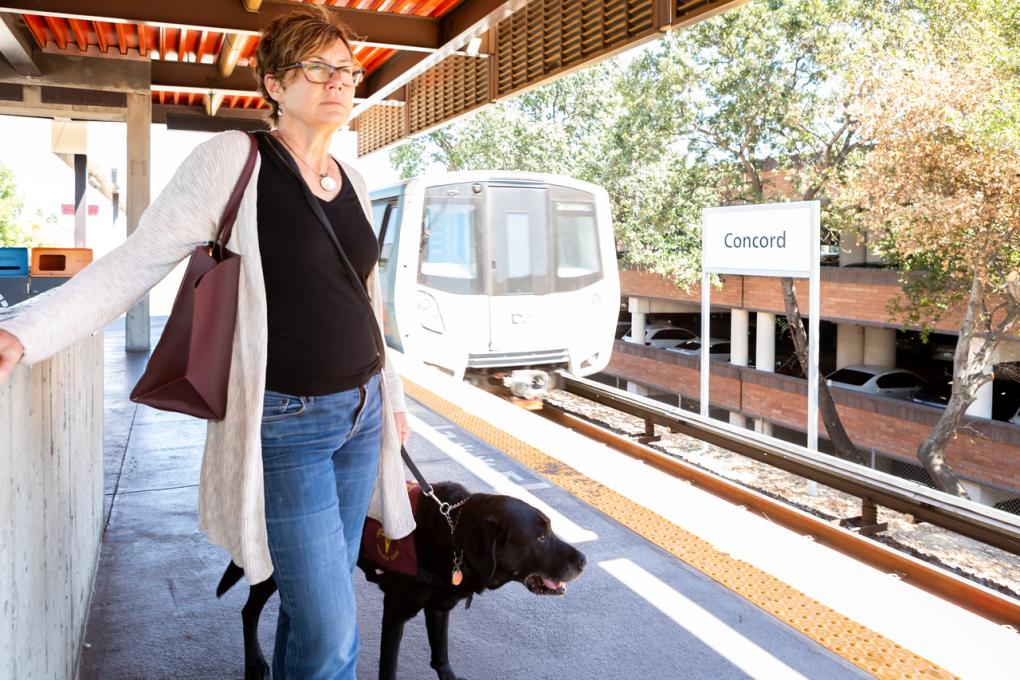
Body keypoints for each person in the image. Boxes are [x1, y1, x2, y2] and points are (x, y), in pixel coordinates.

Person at [0, 6, 415, 679]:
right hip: (289, 423)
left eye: (347, 69)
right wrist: (23, 331)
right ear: (275, 84)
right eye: (318, 67)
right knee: (335, 631)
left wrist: (392, 401)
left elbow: (369, 305)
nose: (339, 81)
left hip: (362, 414)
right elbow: (136, 262)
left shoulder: (355, 180)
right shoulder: (234, 161)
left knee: (316, 610)